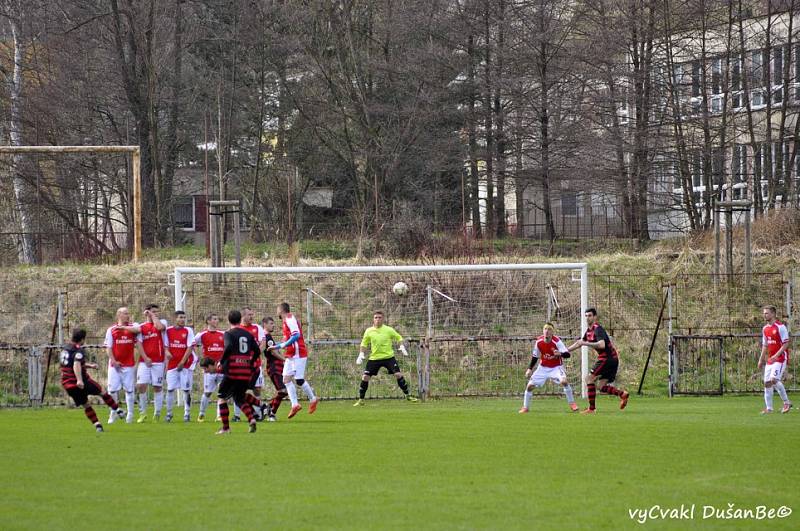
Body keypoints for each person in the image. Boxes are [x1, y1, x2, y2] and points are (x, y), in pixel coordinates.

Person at [61, 329, 125, 432]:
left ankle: (98, 425)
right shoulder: (78, 350)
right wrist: (79, 380)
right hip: (80, 381)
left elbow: (71, 363)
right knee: (102, 392)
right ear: (82, 339)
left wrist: (89, 365)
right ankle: (118, 410)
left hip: (67, 384)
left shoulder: (66, 348)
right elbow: (76, 364)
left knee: (86, 404)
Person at [566, 307, 629, 414]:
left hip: (607, 358)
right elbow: (579, 343)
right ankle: (622, 394)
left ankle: (591, 409)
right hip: (612, 359)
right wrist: (564, 351)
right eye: (586, 316)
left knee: (589, 379)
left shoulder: (597, 329)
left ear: (595, 317)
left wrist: (585, 343)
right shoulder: (589, 331)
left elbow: (601, 344)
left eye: (590, 315)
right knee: (601, 387)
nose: (587, 318)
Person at [353, 310, 418, 406]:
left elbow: (399, 337)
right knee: (365, 377)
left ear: (383, 319)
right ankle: (361, 400)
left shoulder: (388, 330)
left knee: (398, 375)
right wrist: (361, 354)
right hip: (374, 358)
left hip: (388, 357)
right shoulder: (369, 331)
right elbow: (364, 343)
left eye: (379, 317)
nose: (377, 320)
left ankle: (408, 395)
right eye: (376, 318)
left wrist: (402, 346)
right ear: (373, 319)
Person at [216, 310, 264, 434]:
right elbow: (257, 351)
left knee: (221, 398)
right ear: (240, 319)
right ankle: (252, 419)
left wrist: (221, 361)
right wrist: (251, 361)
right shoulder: (248, 334)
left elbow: (229, 347)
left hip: (232, 370)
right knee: (240, 398)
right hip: (245, 371)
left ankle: (226, 428)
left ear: (229, 320)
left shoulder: (228, 333)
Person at [268, 302, 319, 418]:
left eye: (277, 309)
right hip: (291, 354)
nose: (276, 312)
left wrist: (280, 346)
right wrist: (276, 346)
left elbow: (296, 336)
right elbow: (288, 340)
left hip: (298, 353)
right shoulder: (286, 321)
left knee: (299, 379)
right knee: (286, 379)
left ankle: (313, 399)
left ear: (281, 310)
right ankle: (295, 405)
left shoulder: (290, 319)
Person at [519, 323, 578, 413]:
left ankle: (572, 404)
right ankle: (525, 407)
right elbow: (535, 356)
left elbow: (568, 354)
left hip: (556, 367)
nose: (547, 331)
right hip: (543, 368)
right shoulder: (539, 341)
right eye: (545, 329)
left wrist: (560, 354)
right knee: (530, 386)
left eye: (549, 329)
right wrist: (529, 369)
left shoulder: (557, 341)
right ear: (543, 331)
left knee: (564, 381)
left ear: (552, 332)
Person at [103, 307, 140, 423]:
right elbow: (108, 347)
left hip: (129, 364)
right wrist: (113, 360)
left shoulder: (132, 327)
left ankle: (130, 415)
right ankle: (113, 413)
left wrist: (124, 327)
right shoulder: (111, 330)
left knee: (129, 390)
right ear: (119, 315)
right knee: (112, 390)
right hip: (115, 365)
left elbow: (138, 330)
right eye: (125, 313)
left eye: (128, 313)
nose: (128, 316)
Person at [135, 304, 168, 423]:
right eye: (153, 311)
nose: (156, 313)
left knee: (157, 387)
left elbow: (159, 327)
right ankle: (143, 413)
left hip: (158, 360)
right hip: (145, 361)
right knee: (141, 385)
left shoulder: (162, 322)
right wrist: (145, 357)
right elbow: (138, 344)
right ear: (146, 312)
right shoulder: (141, 327)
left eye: (157, 312)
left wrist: (153, 316)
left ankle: (157, 413)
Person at [758, 305, 792, 414]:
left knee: (774, 380)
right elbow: (765, 345)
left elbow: (786, 343)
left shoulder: (780, 327)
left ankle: (786, 402)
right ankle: (769, 408)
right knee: (767, 383)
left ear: (773, 314)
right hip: (770, 359)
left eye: (767, 313)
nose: (764, 315)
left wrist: (776, 356)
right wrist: (761, 359)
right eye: (764, 313)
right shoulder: (765, 328)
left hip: (780, 358)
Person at [165, 311, 196, 422]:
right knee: (170, 389)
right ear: (175, 319)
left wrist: (182, 362)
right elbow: (165, 344)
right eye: (180, 317)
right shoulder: (168, 330)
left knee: (186, 390)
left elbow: (190, 347)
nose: (183, 319)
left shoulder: (188, 330)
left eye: (184, 317)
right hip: (172, 365)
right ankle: (169, 414)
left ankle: (187, 414)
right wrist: (167, 351)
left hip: (185, 365)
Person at [194, 313, 225, 422]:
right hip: (209, 369)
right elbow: (192, 345)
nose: (217, 321)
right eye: (214, 319)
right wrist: (198, 358)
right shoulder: (201, 335)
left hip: (221, 368)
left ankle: (219, 415)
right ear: (208, 321)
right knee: (207, 392)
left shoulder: (223, 334)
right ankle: (201, 414)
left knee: (222, 393)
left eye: (217, 319)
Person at [240, 307, 267, 420]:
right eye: (249, 315)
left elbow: (263, 344)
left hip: (255, 365)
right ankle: (238, 415)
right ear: (243, 316)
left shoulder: (257, 328)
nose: (251, 317)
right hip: (241, 366)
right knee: (241, 391)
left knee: (257, 389)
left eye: (252, 314)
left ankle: (258, 413)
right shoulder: (238, 329)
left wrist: (254, 356)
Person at [262, 316, 287, 421]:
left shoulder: (267, 337)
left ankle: (268, 409)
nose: (273, 325)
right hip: (273, 367)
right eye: (271, 323)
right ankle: (270, 412)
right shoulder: (266, 337)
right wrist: (285, 360)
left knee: (282, 391)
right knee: (282, 390)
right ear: (265, 324)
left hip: (276, 367)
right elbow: (273, 352)